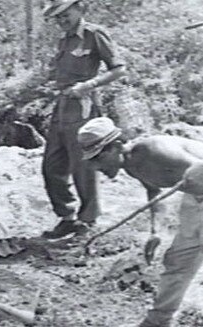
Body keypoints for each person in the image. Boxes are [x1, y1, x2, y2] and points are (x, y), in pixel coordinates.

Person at [77, 117, 203, 327]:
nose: (96, 167)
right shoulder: (131, 164)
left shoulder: (156, 151)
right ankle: (157, 322)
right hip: (198, 197)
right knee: (178, 261)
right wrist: (156, 231)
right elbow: (154, 190)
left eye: (98, 158)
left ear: (117, 146)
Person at [40, 0, 127, 239]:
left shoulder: (94, 34)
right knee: (51, 166)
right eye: (57, 17)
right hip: (62, 106)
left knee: (83, 166)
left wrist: (88, 85)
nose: (62, 20)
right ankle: (67, 217)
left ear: (80, 9)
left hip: (83, 108)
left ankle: (88, 220)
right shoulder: (64, 39)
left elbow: (118, 69)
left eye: (65, 14)